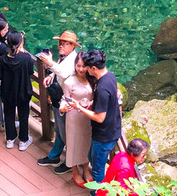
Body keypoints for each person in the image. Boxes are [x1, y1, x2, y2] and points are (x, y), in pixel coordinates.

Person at [68, 49, 121, 184]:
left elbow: (99, 117)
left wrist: (79, 107)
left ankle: (99, 192)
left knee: (97, 169)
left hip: (103, 135)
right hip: (113, 129)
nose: (84, 69)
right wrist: (92, 103)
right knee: (92, 158)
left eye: (86, 66)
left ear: (93, 68)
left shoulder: (102, 88)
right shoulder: (110, 76)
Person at [36, 29, 79, 169]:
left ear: (73, 46)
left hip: (66, 102)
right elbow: (59, 72)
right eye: (61, 43)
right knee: (59, 129)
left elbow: (65, 72)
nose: (61, 46)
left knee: (65, 132)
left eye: (65, 44)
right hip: (58, 98)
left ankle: (69, 161)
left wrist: (50, 62)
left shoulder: (74, 60)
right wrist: (50, 76)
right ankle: (55, 156)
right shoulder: (64, 57)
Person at [0, 30, 34, 151]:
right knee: (23, 115)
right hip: (23, 92)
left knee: (9, 115)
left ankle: (10, 139)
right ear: (21, 43)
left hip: (7, 92)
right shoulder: (26, 58)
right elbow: (31, 72)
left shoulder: (2, 59)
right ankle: (23, 140)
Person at [58, 52, 93, 185]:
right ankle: (74, 170)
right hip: (73, 117)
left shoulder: (91, 79)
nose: (81, 69)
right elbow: (64, 100)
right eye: (78, 66)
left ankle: (85, 168)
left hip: (87, 115)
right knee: (73, 143)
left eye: (84, 66)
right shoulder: (69, 82)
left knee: (86, 142)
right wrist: (63, 108)